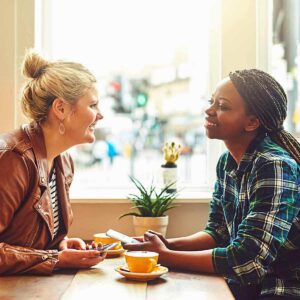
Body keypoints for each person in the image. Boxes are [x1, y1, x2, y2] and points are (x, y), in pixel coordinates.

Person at [124, 69, 300, 300]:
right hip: (247, 285)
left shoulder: (274, 165)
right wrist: (167, 245)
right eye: (211, 102)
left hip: (284, 286)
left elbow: (248, 261)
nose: (209, 110)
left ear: (252, 122)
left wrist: (164, 256)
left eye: (223, 106)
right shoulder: (227, 163)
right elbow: (219, 232)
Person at [0, 50, 105, 275]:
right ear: (60, 109)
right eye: (93, 105)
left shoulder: (63, 160)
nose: (100, 115)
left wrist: (60, 245)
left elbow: (28, 242)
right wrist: (56, 258)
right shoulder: (12, 159)